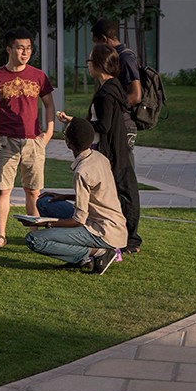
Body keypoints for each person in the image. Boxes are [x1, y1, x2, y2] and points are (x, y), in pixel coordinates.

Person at [57, 43, 143, 254]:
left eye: (89, 61)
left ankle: (123, 240)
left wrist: (76, 123)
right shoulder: (113, 88)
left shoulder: (106, 94)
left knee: (117, 193)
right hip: (117, 149)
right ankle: (125, 238)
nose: (87, 65)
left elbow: (103, 125)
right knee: (122, 190)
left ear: (97, 64)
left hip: (110, 151)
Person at [0, 27, 55, 248]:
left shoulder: (39, 76)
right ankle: (0, 235)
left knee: (33, 191)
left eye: (29, 48)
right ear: (9, 49)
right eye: (20, 48)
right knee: (3, 189)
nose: (25, 52)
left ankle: (35, 235)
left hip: (33, 141)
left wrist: (48, 133)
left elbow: (49, 105)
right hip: (4, 141)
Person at [24, 117, 126, 274]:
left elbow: (78, 220)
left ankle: (98, 253)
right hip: (112, 223)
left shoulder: (82, 172)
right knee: (45, 201)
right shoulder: (99, 158)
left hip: (103, 231)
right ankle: (83, 256)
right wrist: (64, 197)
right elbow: (97, 195)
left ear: (68, 143)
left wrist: (48, 224)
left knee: (34, 239)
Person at [91, 19, 141, 153]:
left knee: (124, 168)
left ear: (104, 39)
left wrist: (111, 107)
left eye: (96, 43)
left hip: (123, 124)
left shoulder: (125, 58)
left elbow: (136, 95)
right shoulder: (115, 57)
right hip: (112, 123)